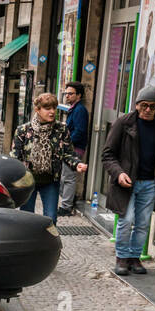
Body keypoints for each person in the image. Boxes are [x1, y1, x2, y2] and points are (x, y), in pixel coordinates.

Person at [102, 84, 155, 276]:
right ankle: (121, 257)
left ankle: (135, 258)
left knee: (143, 222)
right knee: (126, 220)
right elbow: (108, 154)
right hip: (126, 182)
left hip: (150, 183)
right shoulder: (123, 123)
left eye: (153, 106)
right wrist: (119, 173)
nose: (148, 110)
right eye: (144, 105)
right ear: (137, 104)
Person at [12, 92, 87, 223]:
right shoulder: (23, 130)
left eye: (54, 108)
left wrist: (77, 164)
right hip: (28, 181)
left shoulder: (61, 129)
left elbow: (68, 152)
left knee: (51, 219)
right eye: (47, 108)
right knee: (26, 219)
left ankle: (47, 243)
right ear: (38, 110)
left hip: (51, 181)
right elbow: (15, 157)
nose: (52, 112)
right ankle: (28, 243)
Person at [58, 81, 89, 215]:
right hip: (70, 147)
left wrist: (66, 143)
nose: (67, 96)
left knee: (69, 177)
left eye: (70, 94)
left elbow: (80, 131)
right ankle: (68, 201)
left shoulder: (80, 110)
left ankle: (66, 207)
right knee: (64, 177)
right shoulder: (74, 109)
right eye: (66, 93)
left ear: (79, 95)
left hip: (74, 149)